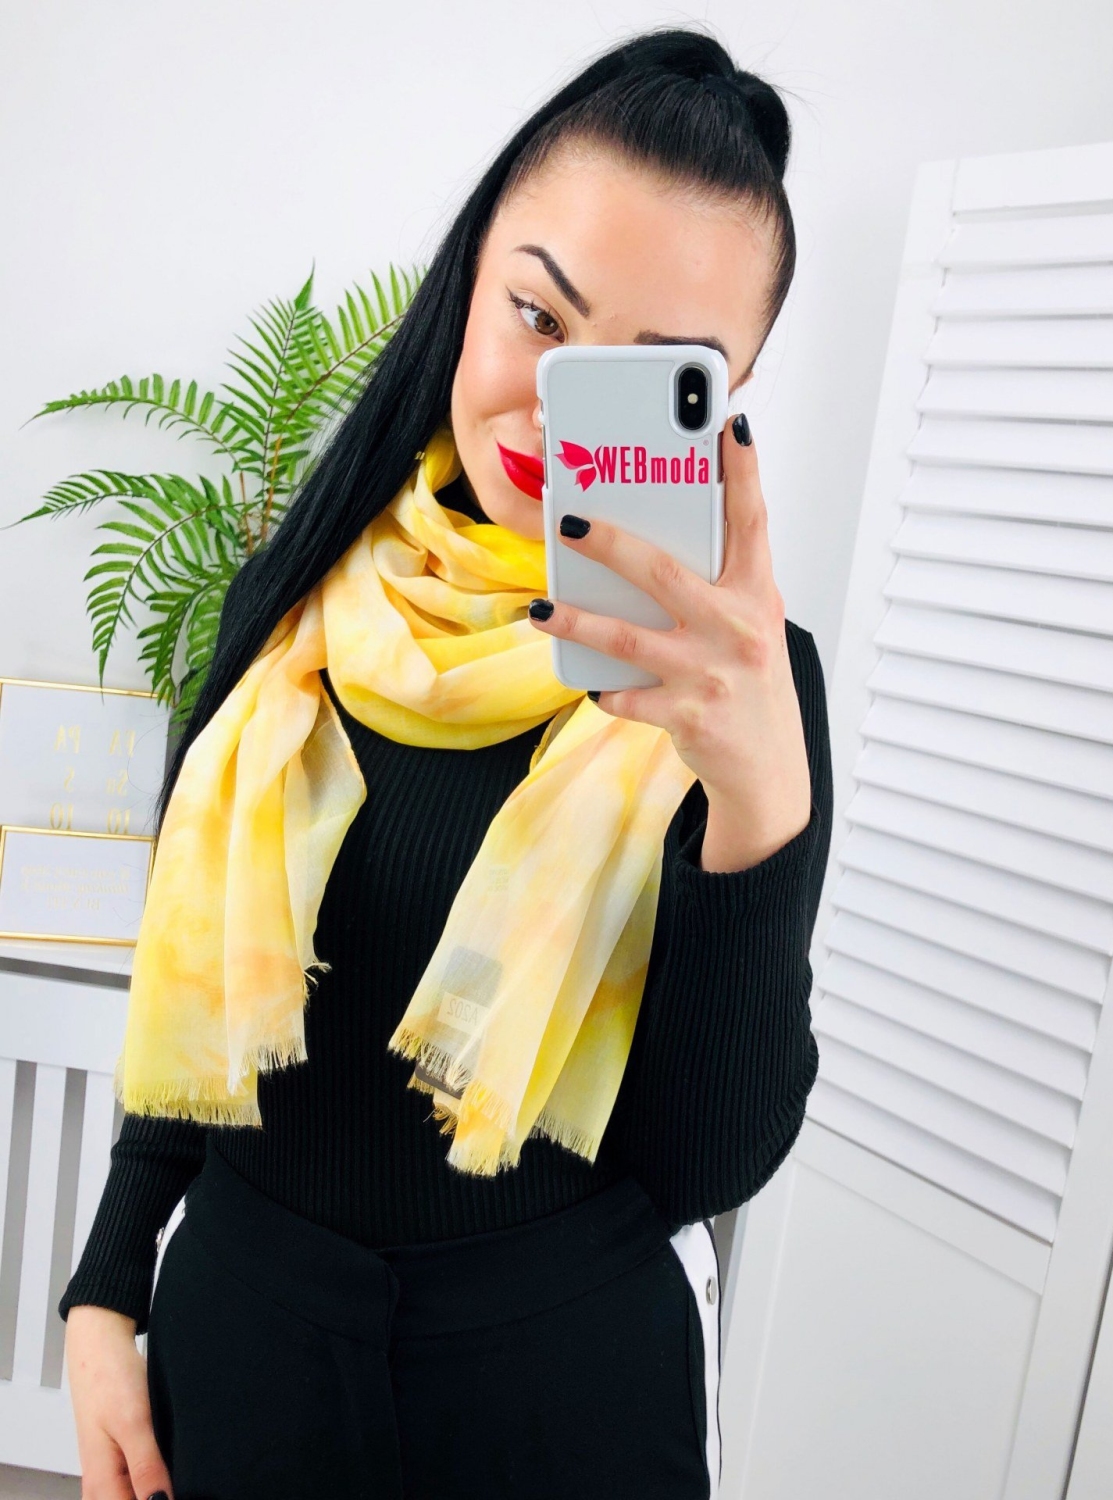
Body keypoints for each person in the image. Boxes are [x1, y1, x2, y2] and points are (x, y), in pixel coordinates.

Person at [58, 23, 832, 1500]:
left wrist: (756, 803)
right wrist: (106, 1290)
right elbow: (193, 990)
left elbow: (705, 1168)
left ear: (725, 406)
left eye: (652, 378)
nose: (555, 406)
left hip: (560, 1400)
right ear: (472, 279)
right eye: (540, 316)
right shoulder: (298, 600)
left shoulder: (746, 693)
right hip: (243, 1352)